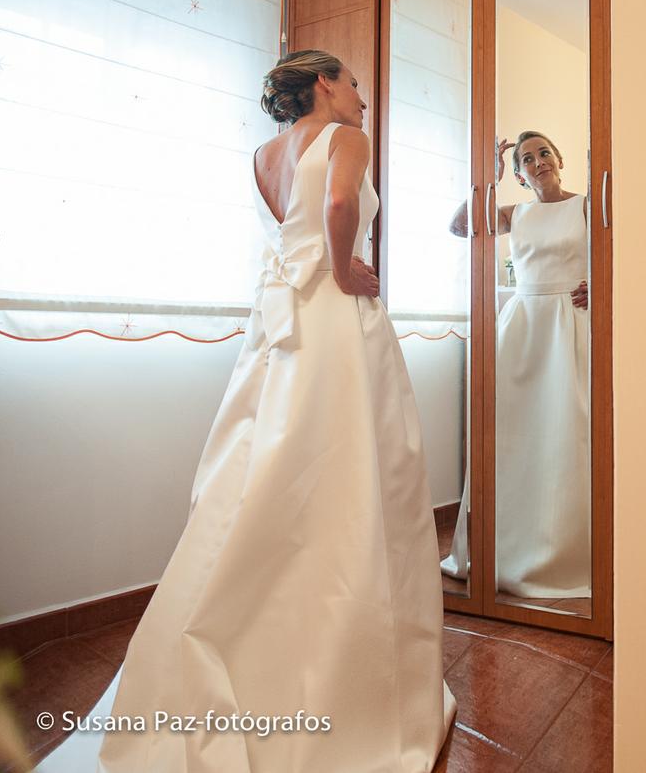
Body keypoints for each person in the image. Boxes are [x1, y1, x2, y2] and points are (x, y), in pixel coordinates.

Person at [36, 50, 455, 772]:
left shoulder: (261, 155)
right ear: (324, 84)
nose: (360, 97)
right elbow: (336, 207)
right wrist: (346, 262)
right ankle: (338, 661)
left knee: (264, 471)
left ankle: (240, 626)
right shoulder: (346, 139)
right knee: (351, 473)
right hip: (334, 318)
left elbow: (286, 225)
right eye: (353, 83)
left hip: (277, 328)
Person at [440, 130, 592, 600]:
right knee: (510, 438)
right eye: (527, 159)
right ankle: (504, 546)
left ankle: (564, 552)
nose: (539, 161)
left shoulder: (587, 205)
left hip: (571, 326)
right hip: (522, 328)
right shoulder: (515, 214)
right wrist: (488, 176)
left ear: (560, 159)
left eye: (545, 152)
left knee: (569, 432)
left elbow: (628, 254)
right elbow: (460, 225)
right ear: (521, 175)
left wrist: (605, 283)